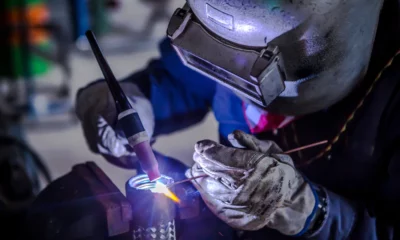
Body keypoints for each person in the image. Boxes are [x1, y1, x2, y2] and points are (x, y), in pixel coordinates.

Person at [76, 0, 400, 239]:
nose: (231, 75)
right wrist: (141, 100)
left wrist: (310, 211)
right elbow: (191, 76)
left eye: (252, 71)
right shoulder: (238, 20)